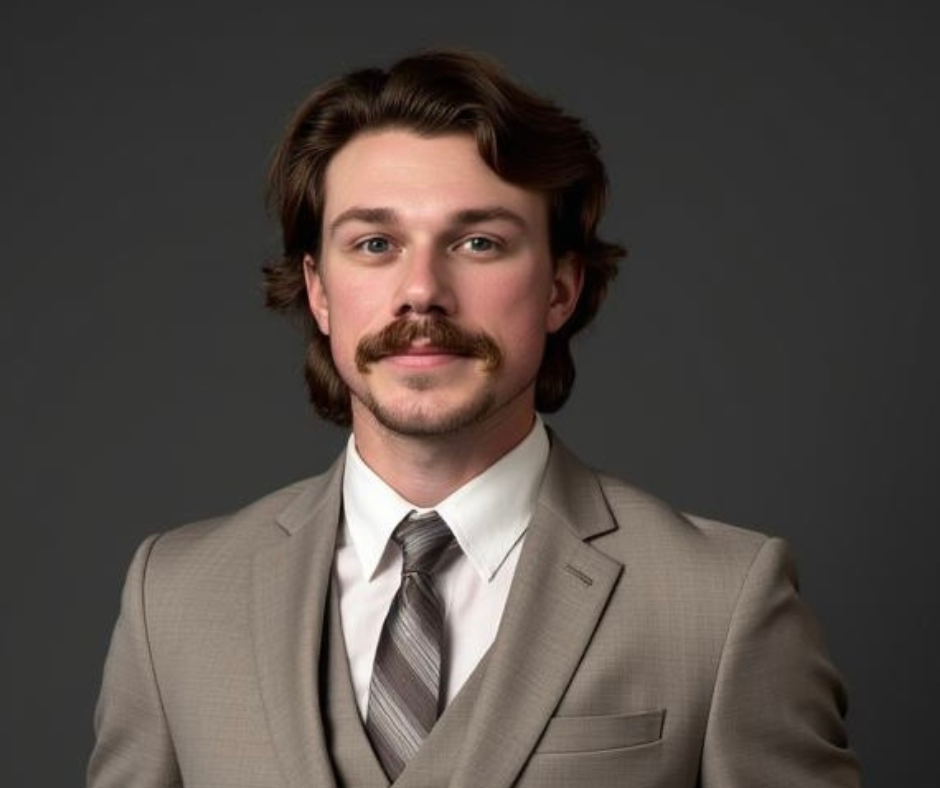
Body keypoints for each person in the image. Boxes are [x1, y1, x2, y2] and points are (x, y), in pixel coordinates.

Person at [87, 49, 860, 787]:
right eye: (376, 242)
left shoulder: (723, 603)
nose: (422, 289)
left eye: (479, 241)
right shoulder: (174, 600)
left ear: (560, 288)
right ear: (319, 292)